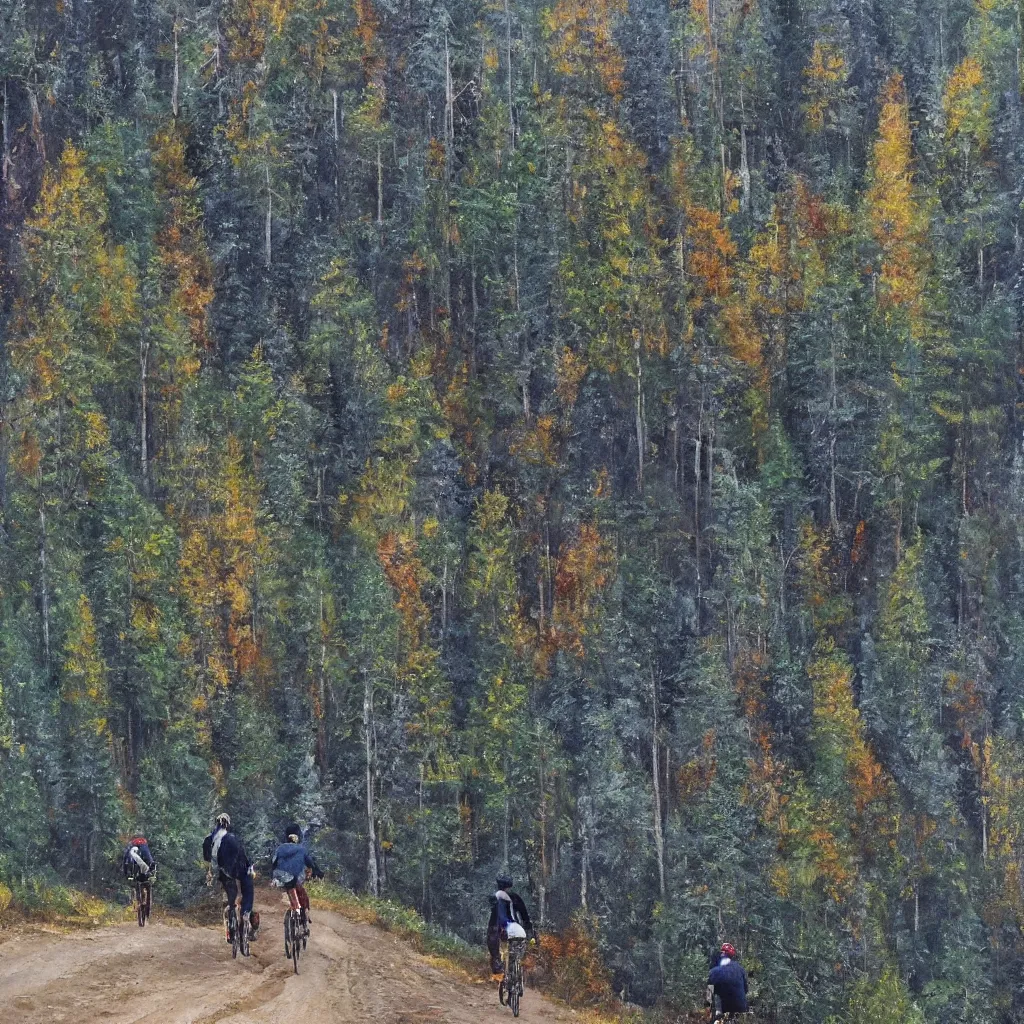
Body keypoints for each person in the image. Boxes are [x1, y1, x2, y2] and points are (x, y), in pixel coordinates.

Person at [203, 813, 260, 943]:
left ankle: (230, 928)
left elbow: (207, 861)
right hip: (239, 871)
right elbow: (243, 856)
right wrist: (250, 868)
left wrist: (209, 873)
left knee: (229, 900)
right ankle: (245, 914)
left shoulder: (208, 839)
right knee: (247, 892)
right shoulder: (232, 838)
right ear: (228, 824)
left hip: (223, 873)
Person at [271, 823, 324, 934]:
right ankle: (304, 915)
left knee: (291, 891)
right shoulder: (301, 849)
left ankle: (295, 911)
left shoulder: (280, 848)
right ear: (297, 837)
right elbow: (311, 864)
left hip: (279, 877)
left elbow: (273, 862)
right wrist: (317, 873)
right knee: (302, 895)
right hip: (293, 878)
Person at [487, 873, 534, 975]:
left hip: (496, 929)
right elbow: (524, 915)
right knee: (517, 948)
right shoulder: (515, 897)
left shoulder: (494, 896)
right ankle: (514, 968)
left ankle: (498, 964)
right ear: (510, 886)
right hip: (513, 928)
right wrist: (529, 931)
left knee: (494, 946)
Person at [706, 942, 749, 1017]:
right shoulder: (740, 968)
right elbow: (746, 989)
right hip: (742, 1010)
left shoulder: (713, 972)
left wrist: (707, 1009)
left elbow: (709, 996)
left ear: (721, 954)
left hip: (724, 1011)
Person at [122, 834, 156, 915]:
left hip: (135, 870)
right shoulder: (145, 845)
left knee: (136, 883)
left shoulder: (131, 847)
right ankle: (146, 904)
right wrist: (152, 872)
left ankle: (139, 902)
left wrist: (126, 873)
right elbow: (150, 860)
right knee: (146, 879)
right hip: (145, 868)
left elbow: (125, 861)